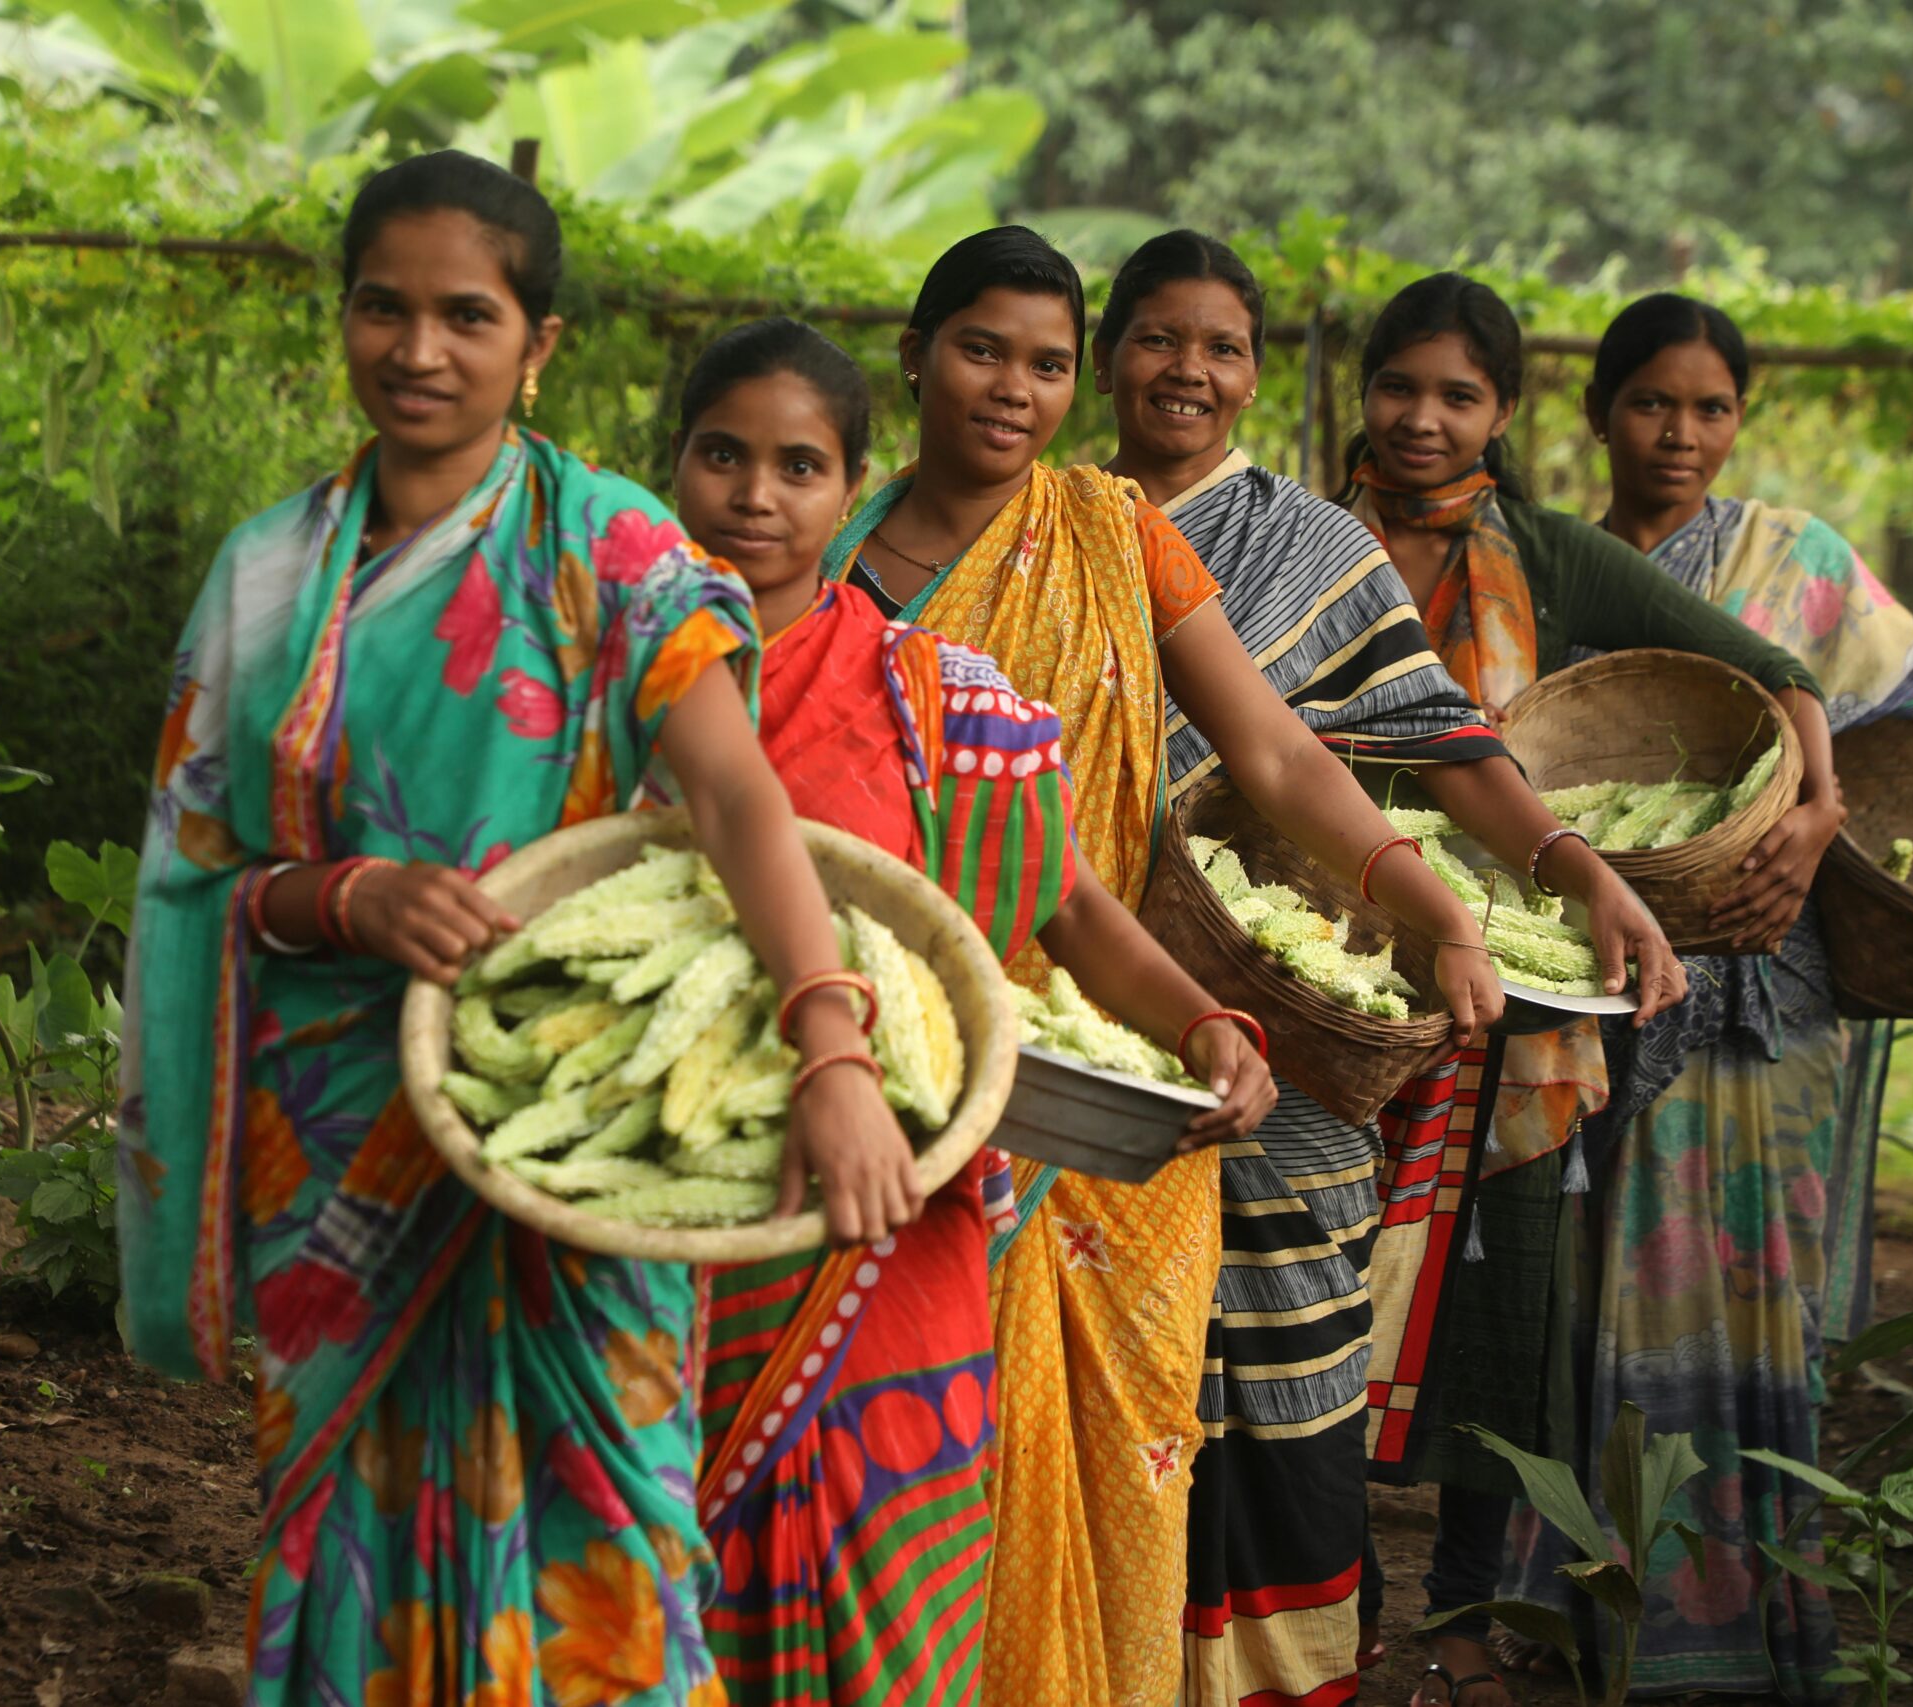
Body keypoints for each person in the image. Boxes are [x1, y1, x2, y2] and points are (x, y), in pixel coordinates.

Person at [116, 153, 926, 1707]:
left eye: (466, 315)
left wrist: (831, 1034)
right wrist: (346, 896)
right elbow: (199, 877)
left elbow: (739, 803)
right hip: (341, 1146)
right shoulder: (266, 575)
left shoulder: (613, 554)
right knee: (348, 1529)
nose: (419, 350)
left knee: (608, 1528)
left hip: (573, 1135)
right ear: (344, 319)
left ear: (537, 344)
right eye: (384, 308)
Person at [826, 226, 1509, 1707]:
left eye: (1046, 361)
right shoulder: (826, 556)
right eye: (981, 349)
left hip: (1104, 1052)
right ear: (917, 352)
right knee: (906, 1445)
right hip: (876, 1053)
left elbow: (1273, 751)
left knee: (1116, 1433)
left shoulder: (1113, 530)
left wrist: (1430, 901)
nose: (1014, 388)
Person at [1489, 290, 1913, 1703]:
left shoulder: (1790, 564)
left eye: (1711, 408)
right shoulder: (1546, 577)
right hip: (1600, 996)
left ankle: (1746, 1638)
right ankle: (1597, 1624)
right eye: (1650, 404)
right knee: (1587, 1305)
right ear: (1597, 413)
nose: (1681, 434)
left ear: (1741, 420)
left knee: (1755, 1305)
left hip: (1770, 1001)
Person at [1091, 230, 1685, 1707]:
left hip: (1290, 1015)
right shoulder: (1041, 524)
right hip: (1080, 1010)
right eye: (1160, 338)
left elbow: (1442, 749)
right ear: (1108, 356)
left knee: (1287, 1373)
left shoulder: (1310, 546)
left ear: (1257, 373)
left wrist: (1579, 871)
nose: (1191, 371)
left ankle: (1285, 1677)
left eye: (1223, 346)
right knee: (1092, 1363)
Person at [666, 314, 1281, 1705]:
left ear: (849, 488)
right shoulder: (585, 692)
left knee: (894, 1607)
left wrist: (1201, 1026)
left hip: (897, 1222)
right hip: (663, 1216)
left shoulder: (933, 698)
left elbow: (1063, 903)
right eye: (722, 456)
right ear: (674, 470)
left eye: (800, 466)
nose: (757, 496)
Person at [1332, 273, 1838, 1707]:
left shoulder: (1545, 557)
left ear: (1505, 413)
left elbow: (1774, 670)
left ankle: (1469, 1612)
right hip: (1342, 973)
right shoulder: (1306, 540)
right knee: (1322, 1298)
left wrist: (1816, 809)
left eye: (1460, 396)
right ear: (1364, 393)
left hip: (1522, 1009)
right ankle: (1341, 1604)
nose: (1424, 420)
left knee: (1512, 1315)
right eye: (1401, 388)